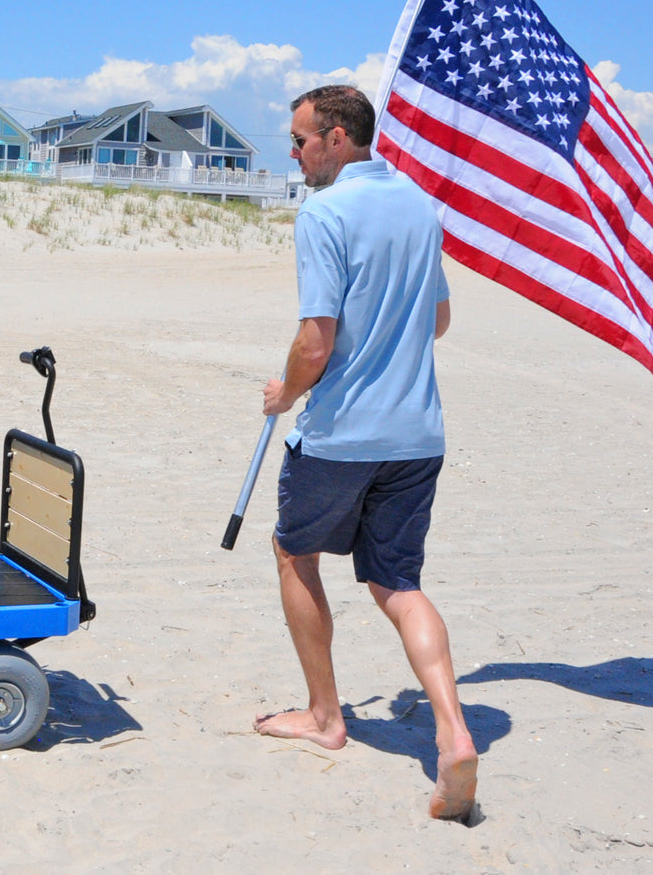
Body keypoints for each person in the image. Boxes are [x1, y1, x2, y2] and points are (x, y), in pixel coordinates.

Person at [255, 84, 478, 821]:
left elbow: (315, 340)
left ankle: (325, 717)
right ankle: (453, 729)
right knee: (398, 584)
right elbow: (439, 319)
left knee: (295, 553)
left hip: (342, 435)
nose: (293, 152)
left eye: (299, 139)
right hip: (417, 434)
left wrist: (286, 392)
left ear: (339, 138)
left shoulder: (324, 212)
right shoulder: (419, 205)